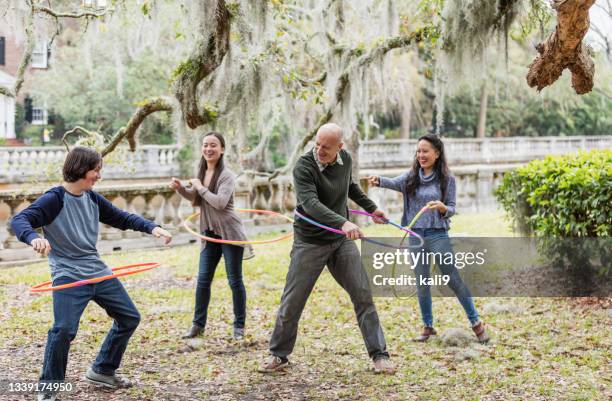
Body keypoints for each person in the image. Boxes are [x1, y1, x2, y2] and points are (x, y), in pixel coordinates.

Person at [11, 146, 172, 401]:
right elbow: (20, 220)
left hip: (96, 270)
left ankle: (102, 370)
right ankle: (49, 388)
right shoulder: (54, 199)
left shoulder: (92, 198)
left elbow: (122, 218)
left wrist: (152, 228)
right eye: (96, 170)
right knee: (63, 329)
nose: (99, 175)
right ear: (82, 170)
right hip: (68, 273)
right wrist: (33, 238)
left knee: (129, 317)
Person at [258, 123, 395, 375]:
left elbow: (350, 187)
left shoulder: (345, 159)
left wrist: (371, 208)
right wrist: (343, 222)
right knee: (293, 300)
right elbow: (310, 204)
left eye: (326, 147)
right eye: (317, 144)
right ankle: (279, 355)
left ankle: (380, 355)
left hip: (340, 241)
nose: (319, 150)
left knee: (363, 294)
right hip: (310, 241)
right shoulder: (304, 166)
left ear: (339, 148)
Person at [368, 134, 490, 343]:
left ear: (437, 153)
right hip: (416, 235)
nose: (421, 155)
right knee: (422, 281)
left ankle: (476, 324)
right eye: (418, 151)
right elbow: (394, 183)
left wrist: (443, 208)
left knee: (453, 279)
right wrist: (378, 181)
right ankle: (428, 326)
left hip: (437, 234)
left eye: (425, 151)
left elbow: (451, 207)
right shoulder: (411, 177)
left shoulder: (446, 179)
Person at [170, 132, 251, 341]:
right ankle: (198, 325)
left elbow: (220, 203)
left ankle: (239, 327)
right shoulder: (201, 172)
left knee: (234, 280)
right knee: (203, 280)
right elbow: (198, 200)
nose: (208, 149)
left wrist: (199, 186)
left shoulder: (227, 175)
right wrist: (181, 189)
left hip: (230, 232)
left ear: (222, 149)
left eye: (213, 145)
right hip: (208, 232)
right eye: (205, 145)